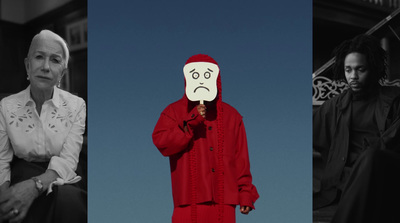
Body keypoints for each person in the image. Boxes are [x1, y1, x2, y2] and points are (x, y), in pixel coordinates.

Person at [152, 54, 259, 223]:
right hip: (188, 202)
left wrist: (245, 193)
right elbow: (162, 143)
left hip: (224, 203)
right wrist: (189, 124)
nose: (201, 81)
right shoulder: (173, 112)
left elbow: (241, 159)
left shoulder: (232, 116)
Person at [0, 30, 87, 223]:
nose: (46, 67)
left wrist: (35, 186)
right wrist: (5, 198)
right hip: (21, 170)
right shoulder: (6, 105)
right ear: (27, 65)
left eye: (55, 60)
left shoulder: (77, 105)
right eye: (39, 57)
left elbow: (68, 158)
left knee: (68, 201)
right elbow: (1, 158)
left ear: (62, 73)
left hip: (64, 172)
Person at [313, 34, 400, 222]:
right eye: (348, 69)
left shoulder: (394, 99)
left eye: (360, 69)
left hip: (387, 177)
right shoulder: (335, 105)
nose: (353, 76)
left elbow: (391, 144)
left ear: (374, 69)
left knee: (371, 155)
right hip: (344, 183)